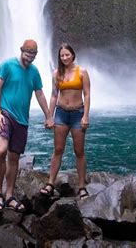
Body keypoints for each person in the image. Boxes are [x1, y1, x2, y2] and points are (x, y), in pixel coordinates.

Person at [0, 39, 54, 213]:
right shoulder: (7, 65)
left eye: (33, 55)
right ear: (21, 51)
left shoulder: (34, 71)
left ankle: (9, 195)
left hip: (22, 120)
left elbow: (40, 94)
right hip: (4, 113)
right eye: (27, 54)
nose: (30, 57)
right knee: (0, 150)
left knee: (14, 157)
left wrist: (48, 116)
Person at [40, 42, 91, 199]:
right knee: (58, 149)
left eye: (67, 54)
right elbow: (54, 95)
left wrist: (86, 116)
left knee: (79, 151)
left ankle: (82, 187)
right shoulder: (56, 73)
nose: (64, 57)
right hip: (61, 114)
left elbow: (87, 94)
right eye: (62, 55)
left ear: (73, 55)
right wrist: (49, 116)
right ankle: (50, 184)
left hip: (77, 114)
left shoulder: (82, 72)